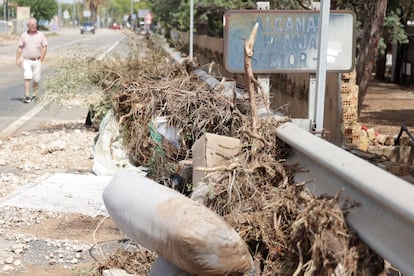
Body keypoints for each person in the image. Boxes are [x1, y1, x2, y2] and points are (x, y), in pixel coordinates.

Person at [15, 18, 48, 103]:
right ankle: (26, 96)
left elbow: (44, 47)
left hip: (37, 60)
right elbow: (20, 48)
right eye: (32, 25)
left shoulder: (41, 35)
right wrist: (17, 59)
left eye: (35, 24)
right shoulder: (24, 35)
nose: (34, 26)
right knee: (27, 76)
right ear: (28, 26)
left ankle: (35, 95)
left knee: (36, 79)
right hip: (27, 60)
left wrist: (42, 58)